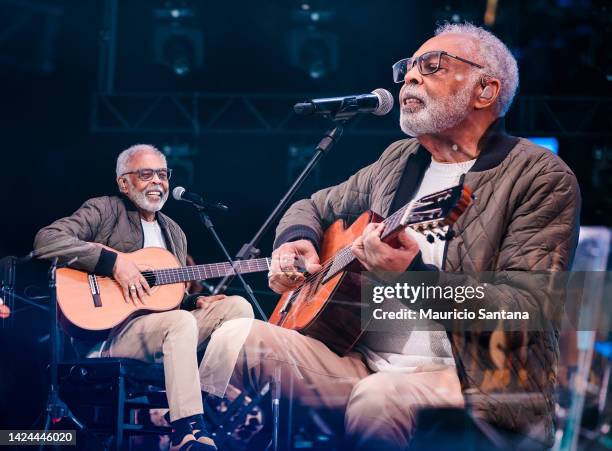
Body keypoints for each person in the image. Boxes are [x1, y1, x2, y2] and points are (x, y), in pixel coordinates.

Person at [197, 23, 580, 450]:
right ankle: (199, 438)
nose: (410, 77)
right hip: (362, 363)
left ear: (485, 92)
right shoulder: (398, 161)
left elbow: (527, 308)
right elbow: (312, 206)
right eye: (409, 68)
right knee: (236, 337)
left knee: (377, 397)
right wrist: (297, 240)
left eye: (432, 66)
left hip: (473, 384)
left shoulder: (538, 176)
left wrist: (412, 276)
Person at [34, 144, 254, 451]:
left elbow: (164, 296)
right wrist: (114, 263)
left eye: (162, 174)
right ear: (124, 183)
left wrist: (195, 303)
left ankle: (202, 399)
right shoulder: (105, 210)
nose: (157, 181)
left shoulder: (174, 232)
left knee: (237, 308)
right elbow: (47, 241)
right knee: (178, 323)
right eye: (146, 174)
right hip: (111, 337)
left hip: (163, 331)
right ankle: (185, 431)